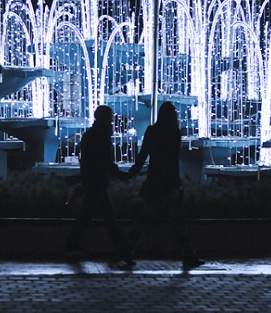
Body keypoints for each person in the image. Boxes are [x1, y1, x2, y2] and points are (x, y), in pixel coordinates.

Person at [128, 101, 204, 268]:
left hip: (155, 179)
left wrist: (134, 171)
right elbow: (173, 159)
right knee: (178, 219)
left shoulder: (152, 131)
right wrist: (177, 182)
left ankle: (128, 249)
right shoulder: (174, 133)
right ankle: (186, 253)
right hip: (169, 181)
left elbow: (143, 154)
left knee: (145, 216)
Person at [64, 105, 135, 266]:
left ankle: (72, 246)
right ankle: (123, 250)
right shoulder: (101, 135)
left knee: (90, 216)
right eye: (110, 116)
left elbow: (93, 159)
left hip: (93, 180)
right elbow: (105, 159)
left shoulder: (91, 134)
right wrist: (120, 175)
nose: (112, 119)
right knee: (106, 218)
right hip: (97, 181)